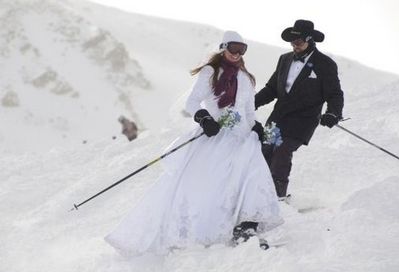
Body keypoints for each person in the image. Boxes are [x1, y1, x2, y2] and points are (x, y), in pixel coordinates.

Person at [105, 31, 282, 256]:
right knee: (210, 184)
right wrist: (204, 118)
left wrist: (254, 125)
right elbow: (192, 102)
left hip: (242, 138)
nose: (237, 54)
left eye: (242, 50)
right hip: (215, 136)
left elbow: (247, 110)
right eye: (233, 48)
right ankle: (200, 228)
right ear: (223, 47)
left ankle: (246, 227)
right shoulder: (211, 72)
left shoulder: (246, 78)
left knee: (253, 176)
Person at [255, 20, 344, 201]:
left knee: (281, 151)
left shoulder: (325, 64)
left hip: (302, 120)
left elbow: (334, 93)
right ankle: (258, 196)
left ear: (310, 40)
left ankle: (278, 199)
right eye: (292, 42)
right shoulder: (284, 59)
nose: (294, 46)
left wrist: (332, 113)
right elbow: (272, 89)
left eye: (299, 42)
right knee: (265, 151)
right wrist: (252, 103)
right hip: (278, 117)